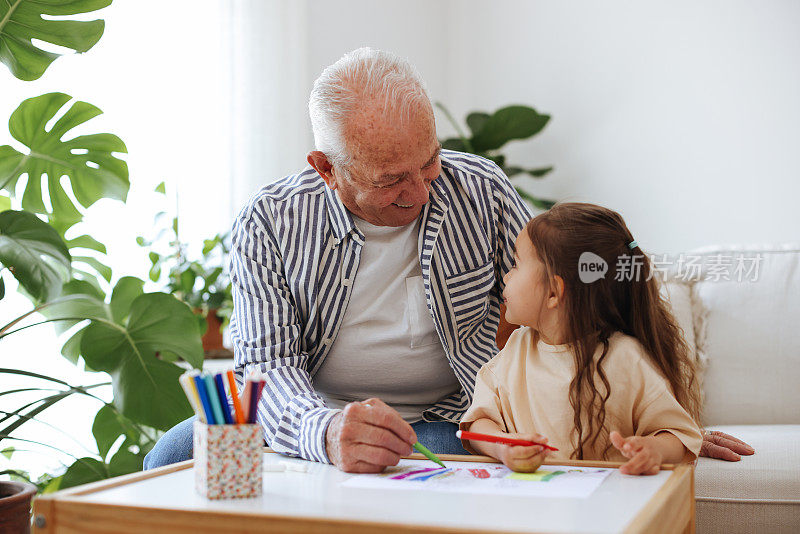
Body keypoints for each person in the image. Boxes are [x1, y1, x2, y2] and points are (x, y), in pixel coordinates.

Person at [143, 49, 752, 473]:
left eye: (429, 160)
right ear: (327, 168)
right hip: (313, 417)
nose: (423, 188)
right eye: (393, 179)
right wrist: (325, 433)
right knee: (169, 460)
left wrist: (674, 426)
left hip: (446, 419)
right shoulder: (269, 222)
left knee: (437, 471)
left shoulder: (478, 188)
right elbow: (265, 368)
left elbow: (576, 292)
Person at [462, 203, 708, 475]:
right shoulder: (517, 348)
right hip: (535, 499)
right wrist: (503, 446)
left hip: (609, 502)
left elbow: (679, 435)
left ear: (554, 292)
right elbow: (477, 424)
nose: (506, 276)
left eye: (516, 265)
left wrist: (654, 450)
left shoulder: (625, 357)